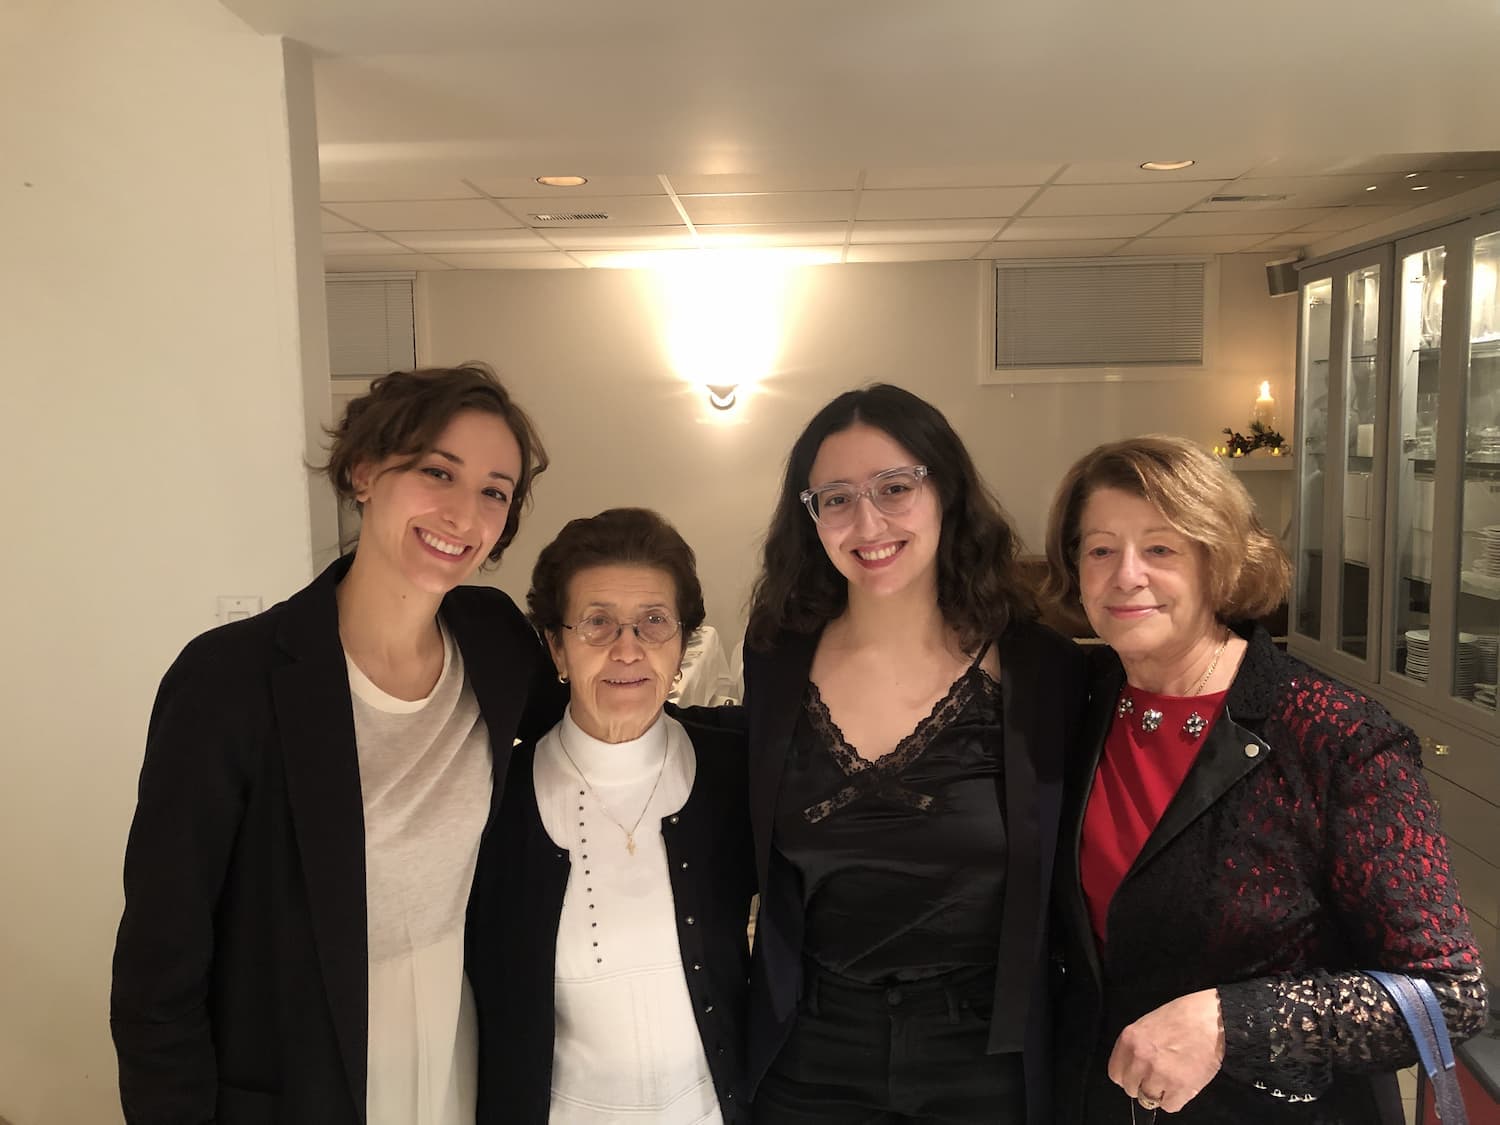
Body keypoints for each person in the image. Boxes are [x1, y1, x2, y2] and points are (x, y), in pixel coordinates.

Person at [111, 364, 563, 1125]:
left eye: (494, 490)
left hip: (458, 1032)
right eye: (436, 471)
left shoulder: (494, 640)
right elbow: (162, 953)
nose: (463, 511)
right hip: (299, 1065)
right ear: (363, 472)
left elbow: (592, 734)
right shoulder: (231, 678)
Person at [1041, 435, 1489, 1125]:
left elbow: (1447, 993)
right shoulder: (1080, 703)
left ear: (1215, 561)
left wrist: (1232, 1021)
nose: (1126, 574)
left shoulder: (1336, 736)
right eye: (1100, 549)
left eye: (1161, 547)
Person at [742, 384, 1085, 1124]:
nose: (868, 522)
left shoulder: (1037, 665)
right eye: (834, 499)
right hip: (811, 1047)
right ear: (810, 519)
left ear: (947, 491)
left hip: (985, 1053)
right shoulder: (776, 658)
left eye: (895, 487)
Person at [467, 507, 755, 1124]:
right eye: (597, 623)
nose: (628, 649)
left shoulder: (738, 773)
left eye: (654, 622)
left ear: (682, 644)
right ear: (557, 646)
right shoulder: (495, 801)